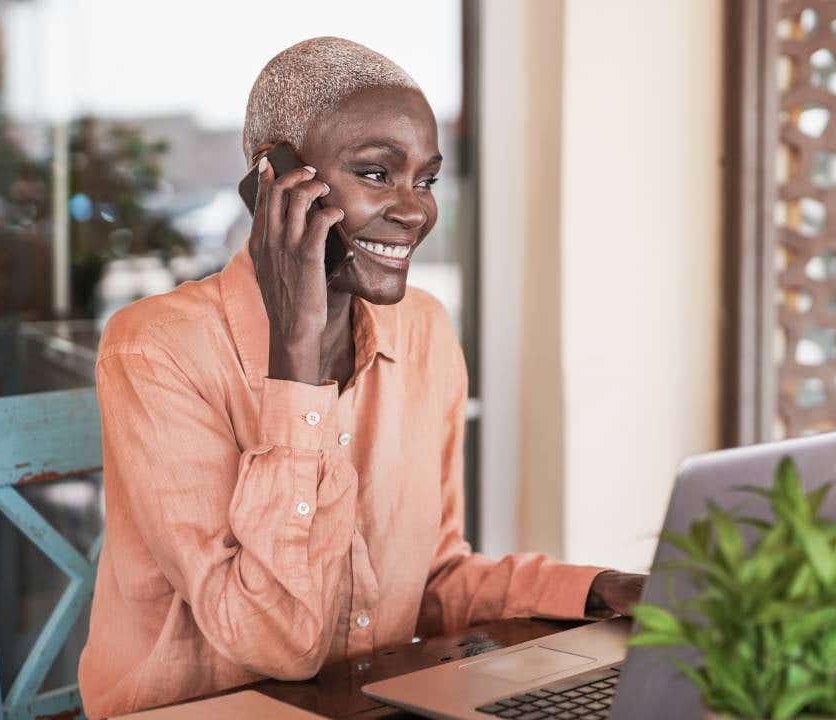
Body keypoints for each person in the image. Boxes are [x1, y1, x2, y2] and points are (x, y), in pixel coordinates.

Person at [78, 36, 644, 718]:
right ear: (275, 180)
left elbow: (431, 580)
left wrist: (600, 591)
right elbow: (275, 644)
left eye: (426, 179)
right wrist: (296, 358)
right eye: (377, 174)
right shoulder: (156, 350)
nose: (415, 210)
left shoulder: (423, 330)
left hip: (355, 703)